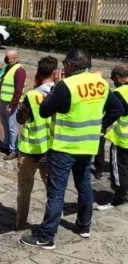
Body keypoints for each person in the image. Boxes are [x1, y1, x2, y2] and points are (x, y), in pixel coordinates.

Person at [20, 49, 123, 249]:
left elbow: (44, 110)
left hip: (64, 146)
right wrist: (101, 126)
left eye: (65, 64)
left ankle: (46, 236)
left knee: (56, 191)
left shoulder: (66, 85)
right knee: (84, 184)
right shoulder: (101, 84)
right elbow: (116, 109)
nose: (63, 68)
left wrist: (55, 88)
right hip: (88, 145)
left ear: (70, 65)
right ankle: (84, 226)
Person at [15, 56, 58, 230]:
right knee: (54, 190)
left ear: (38, 74)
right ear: (56, 73)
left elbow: (20, 117)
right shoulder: (62, 92)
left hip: (30, 149)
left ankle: (21, 223)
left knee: (25, 189)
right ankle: (55, 220)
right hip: (52, 149)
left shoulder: (32, 96)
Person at [97, 65, 128, 210]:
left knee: (118, 169)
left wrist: (102, 125)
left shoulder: (119, 93)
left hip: (122, 138)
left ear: (117, 77)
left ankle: (118, 198)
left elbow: (111, 111)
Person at [0, 49, 26, 160]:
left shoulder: (19, 70)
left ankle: (13, 150)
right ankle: (6, 145)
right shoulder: (6, 67)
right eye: (6, 57)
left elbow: (18, 90)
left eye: (8, 57)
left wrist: (13, 105)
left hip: (10, 103)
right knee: (5, 124)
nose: (6, 59)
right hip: (2, 100)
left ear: (15, 58)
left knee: (12, 126)